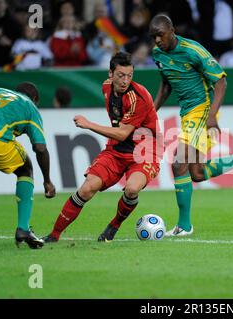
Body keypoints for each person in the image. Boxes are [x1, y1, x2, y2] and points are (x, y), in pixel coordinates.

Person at [149, 14, 233, 237]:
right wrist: (151, 112)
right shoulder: (157, 53)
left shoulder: (193, 50)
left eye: (160, 35)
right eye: (153, 37)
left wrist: (213, 115)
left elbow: (220, 80)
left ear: (171, 30)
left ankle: (184, 226)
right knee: (196, 173)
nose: (157, 40)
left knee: (179, 164)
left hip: (202, 108)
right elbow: (166, 84)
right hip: (187, 112)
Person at [42, 52, 162, 243]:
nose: (125, 80)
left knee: (131, 189)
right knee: (87, 188)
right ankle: (53, 235)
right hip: (116, 149)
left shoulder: (137, 97)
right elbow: (119, 132)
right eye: (121, 75)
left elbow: (123, 132)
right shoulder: (106, 87)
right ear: (110, 74)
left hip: (145, 151)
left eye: (129, 75)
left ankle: (114, 225)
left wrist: (89, 124)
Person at [0, 82, 56, 249]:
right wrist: (47, 180)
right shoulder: (30, 107)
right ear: (35, 99)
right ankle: (23, 229)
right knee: (25, 169)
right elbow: (40, 148)